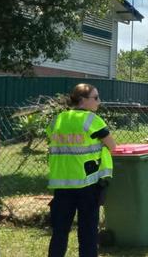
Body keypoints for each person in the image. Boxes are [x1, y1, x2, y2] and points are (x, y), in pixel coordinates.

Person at [46, 83, 116, 257]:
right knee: (87, 234)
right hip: (86, 184)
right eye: (96, 98)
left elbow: (53, 139)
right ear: (83, 100)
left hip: (61, 184)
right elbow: (112, 146)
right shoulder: (92, 120)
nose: (99, 102)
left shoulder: (58, 119)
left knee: (59, 233)